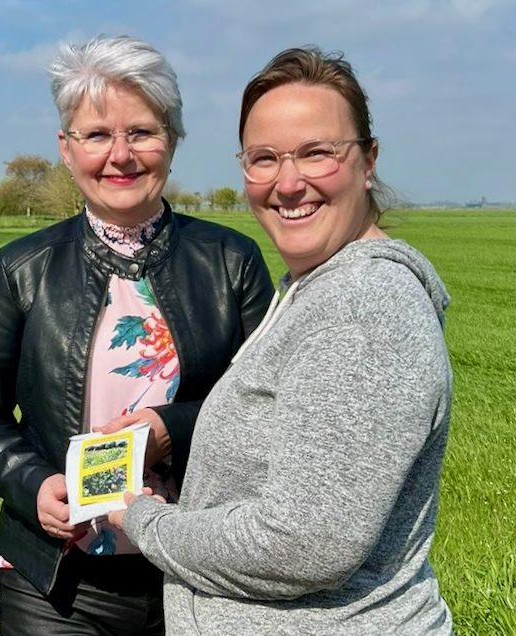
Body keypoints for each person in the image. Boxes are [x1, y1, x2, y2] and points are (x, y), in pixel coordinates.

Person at [111, 46, 454, 634]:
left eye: (317, 153)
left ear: (368, 162)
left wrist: (144, 521)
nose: (288, 183)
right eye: (263, 158)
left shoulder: (362, 307)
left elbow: (301, 544)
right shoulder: (312, 287)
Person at [0, 35, 274, 634]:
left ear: (171, 141)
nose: (119, 155)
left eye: (141, 132)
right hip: (55, 583)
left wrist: (168, 431)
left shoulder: (233, 262)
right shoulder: (22, 269)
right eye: (97, 135)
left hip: (197, 574)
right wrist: (34, 486)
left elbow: (270, 408)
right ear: (66, 150)